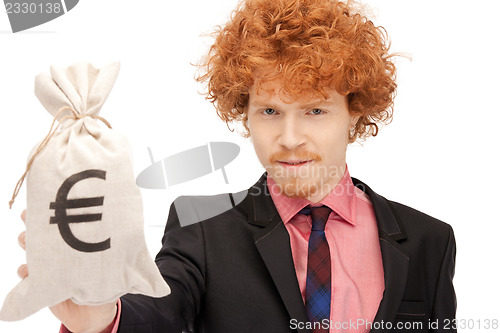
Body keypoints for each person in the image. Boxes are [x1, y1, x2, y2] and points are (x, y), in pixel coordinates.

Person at [16, 0, 457, 332]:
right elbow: (159, 313)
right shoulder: (201, 227)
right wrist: (101, 317)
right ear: (243, 114)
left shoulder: (428, 242)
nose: (288, 137)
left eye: (315, 111)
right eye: (269, 111)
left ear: (355, 113)